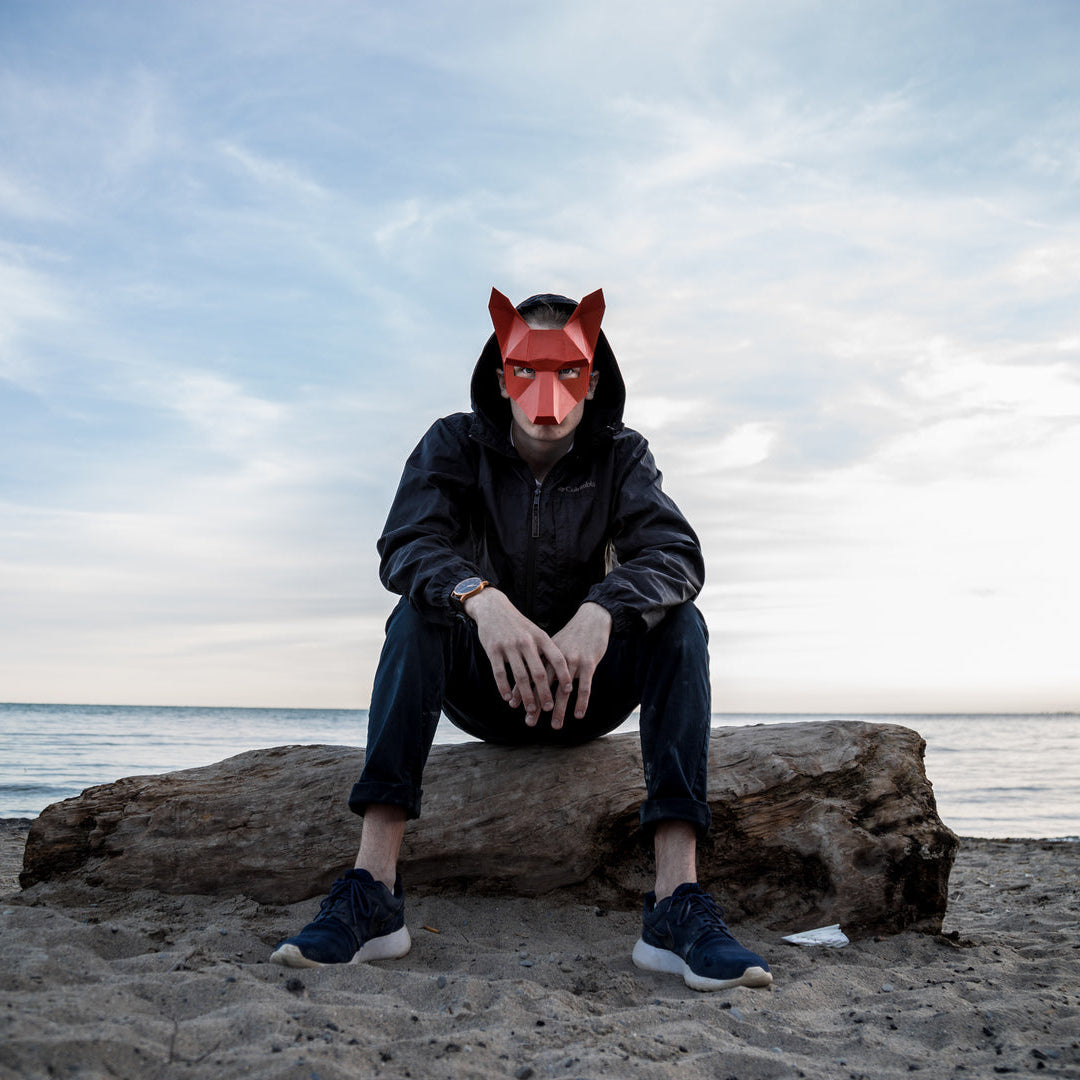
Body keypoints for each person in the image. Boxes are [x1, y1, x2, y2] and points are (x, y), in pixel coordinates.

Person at [270, 288, 772, 992]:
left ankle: (674, 903)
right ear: (501, 371)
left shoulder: (623, 456)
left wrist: (604, 607)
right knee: (415, 615)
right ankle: (373, 891)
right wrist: (481, 599)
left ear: (592, 378)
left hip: (586, 687)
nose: (545, 394)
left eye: (567, 371)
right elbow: (407, 545)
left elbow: (677, 555)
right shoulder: (454, 443)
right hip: (487, 687)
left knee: (682, 623)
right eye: (526, 370)